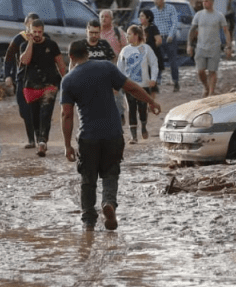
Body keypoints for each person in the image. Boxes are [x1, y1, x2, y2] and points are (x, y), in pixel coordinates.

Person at [60, 41, 161, 231]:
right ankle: (109, 203)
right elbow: (131, 87)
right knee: (110, 174)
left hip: (88, 136)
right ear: (88, 54)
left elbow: (66, 114)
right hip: (113, 134)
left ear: (71, 57)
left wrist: (67, 145)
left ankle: (89, 221)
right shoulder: (106, 67)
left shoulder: (68, 80)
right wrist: (150, 102)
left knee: (88, 180)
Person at [18, 19, 67, 157]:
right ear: (30, 32)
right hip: (31, 86)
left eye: (40, 32)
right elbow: (25, 61)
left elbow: (60, 64)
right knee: (34, 116)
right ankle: (39, 138)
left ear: (43, 31)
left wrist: (67, 81)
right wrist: (30, 43)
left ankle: (42, 143)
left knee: (45, 113)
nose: (37, 34)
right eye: (35, 32)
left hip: (50, 85)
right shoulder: (24, 45)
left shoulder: (51, 45)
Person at [4, 13, 40, 149]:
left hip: (38, 80)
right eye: (31, 25)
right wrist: (8, 75)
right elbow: (8, 58)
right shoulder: (18, 39)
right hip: (22, 79)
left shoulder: (44, 39)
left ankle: (38, 138)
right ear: (26, 25)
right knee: (24, 110)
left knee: (38, 109)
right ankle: (31, 138)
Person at [117, 25, 158, 143]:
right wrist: (119, 83)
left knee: (142, 108)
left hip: (143, 85)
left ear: (136, 35)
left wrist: (153, 79)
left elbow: (154, 63)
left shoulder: (146, 49)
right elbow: (120, 68)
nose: (127, 36)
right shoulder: (125, 50)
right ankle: (133, 136)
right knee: (131, 108)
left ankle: (144, 126)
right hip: (129, 85)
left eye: (129, 34)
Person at [188, 0, 232, 98]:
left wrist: (228, 46)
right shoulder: (198, 15)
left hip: (214, 47)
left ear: (212, 2)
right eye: (203, 1)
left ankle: (211, 92)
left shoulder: (219, 15)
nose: (204, 3)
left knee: (212, 71)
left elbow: (226, 31)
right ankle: (206, 87)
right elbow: (192, 30)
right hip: (200, 47)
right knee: (200, 71)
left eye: (206, 1)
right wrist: (189, 45)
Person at [152, 0, 181, 92]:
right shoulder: (153, 11)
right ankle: (156, 83)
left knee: (173, 61)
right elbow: (152, 25)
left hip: (170, 39)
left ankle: (176, 82)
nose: (155, 1)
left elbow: (174, 22)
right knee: (156, 61)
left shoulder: (170, 8)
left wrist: (170, 35)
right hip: (158, 39)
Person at [139, 9, 163, 98]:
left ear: (148, 18)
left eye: (142, 16)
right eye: (140, 16)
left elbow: (159, 41)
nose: (140, 18)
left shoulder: (153, 28)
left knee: (152, 81)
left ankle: (151, 101)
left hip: (152, 58)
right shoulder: (138, 28)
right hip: (141, 58)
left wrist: (150, 50)